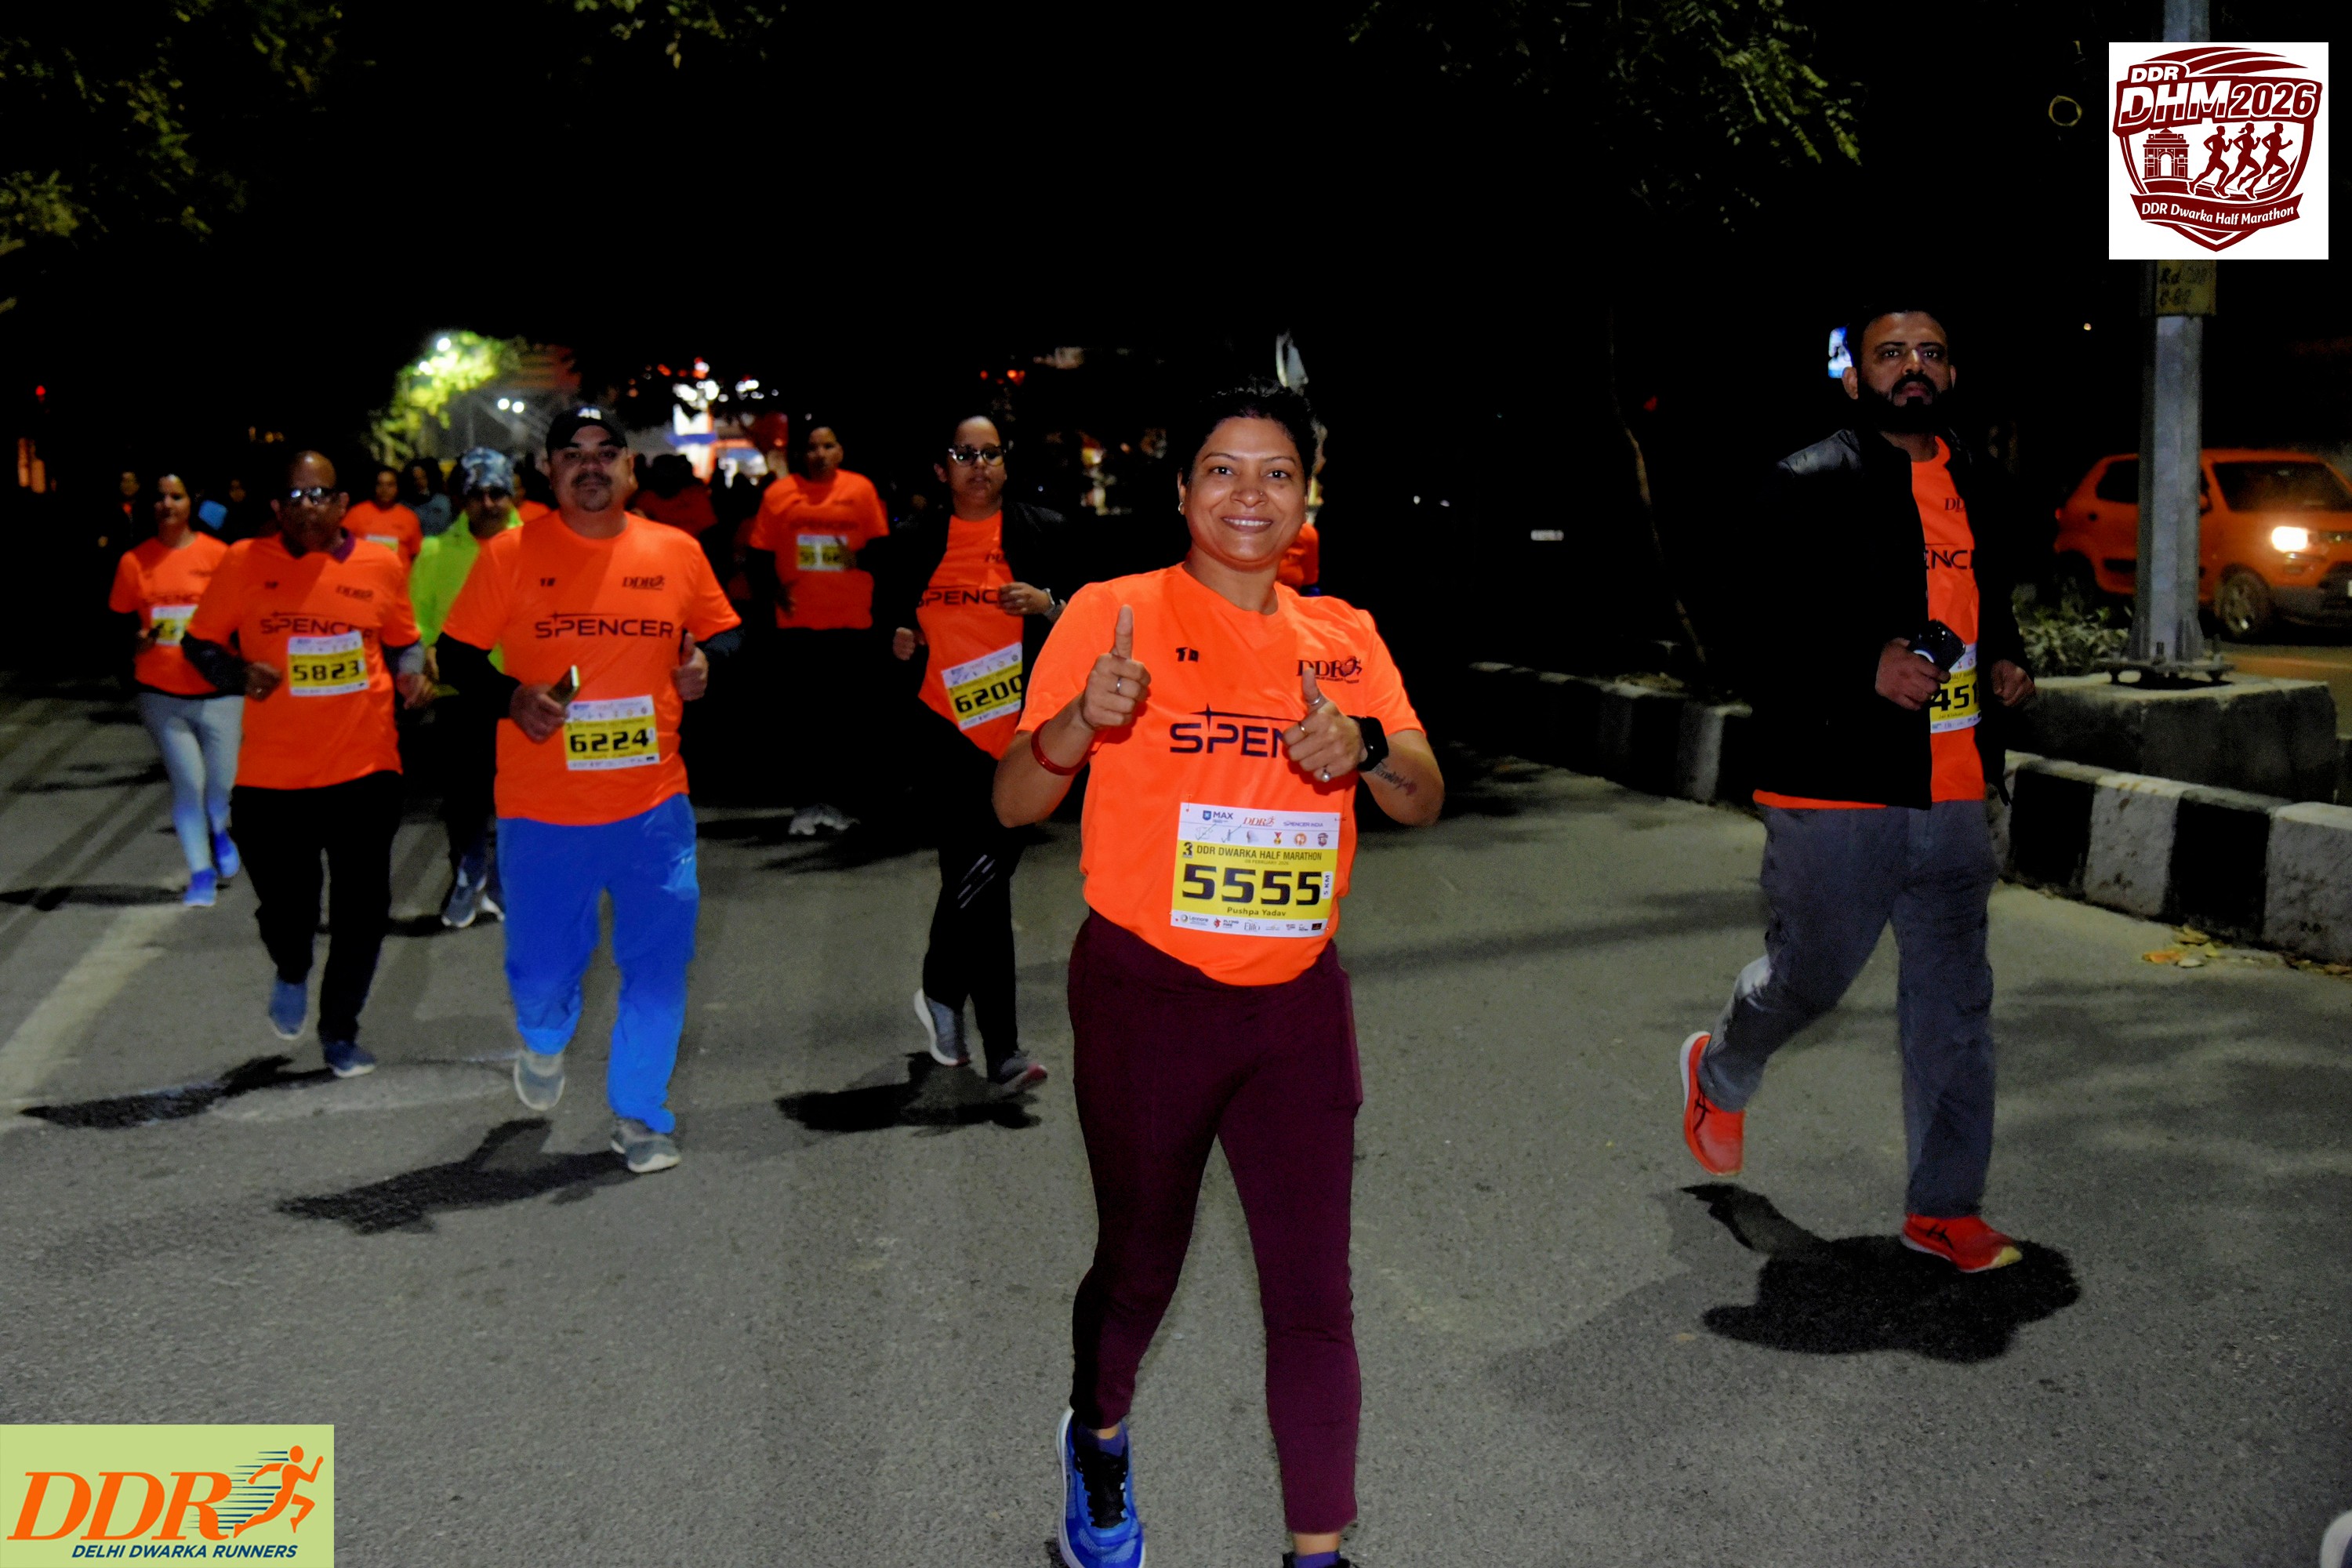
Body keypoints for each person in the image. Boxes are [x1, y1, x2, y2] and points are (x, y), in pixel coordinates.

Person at [996, 381, 1443, 1568]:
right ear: (1183, 489)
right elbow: (1015, 798)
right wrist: (1079, 723)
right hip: (1149, 997)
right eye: (1223, 470)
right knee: (1142, 1266)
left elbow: (1422, 795)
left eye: (1277, 473)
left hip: (1297, 1007)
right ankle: (1097, 1439)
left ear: (1308, 495)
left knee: (1313, 1297)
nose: (1251, 495)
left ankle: (1318, 1553)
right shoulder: (1113, 614)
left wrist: (1368, 748)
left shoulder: (1344, 635)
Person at [1679, 304, 2038, 1274]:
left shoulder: (1979, 483)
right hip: (1837, 787)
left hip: (1956, 792)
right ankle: (1722, 1065)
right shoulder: (1807, 481)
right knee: (1810, 979)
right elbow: (1746, 626)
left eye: (1930, 353)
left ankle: (1945, 1208)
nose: (1912, 367)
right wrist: (1860, 665)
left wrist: (2007, 662)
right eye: (1891, 354)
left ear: (1950, 376)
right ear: (1855, 378)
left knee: (1955, 1009)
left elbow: (1986, 604)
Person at [436, 407, 743, 1174]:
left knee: (657, 966)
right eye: (573, 454)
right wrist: (511, 697)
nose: (591, 465)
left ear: (630, 468)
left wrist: (709, 662)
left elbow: (728, 634)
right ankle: (544, 1035)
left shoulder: (675, 551)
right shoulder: (509, 554)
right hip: (544, 811)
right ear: (549, 470)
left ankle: (641, 1114)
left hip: (654, 806)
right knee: (542, 971)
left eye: (607, 452)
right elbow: (457, 656)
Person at [182, 451, 432, 1078]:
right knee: (288, 911)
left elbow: (404, 642)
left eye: (320, 495)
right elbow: (198, 644)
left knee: (362, 912)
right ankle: (291, 966)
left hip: (365, 768)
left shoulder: (381, 563)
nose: (308, 507)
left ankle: (340, 1030)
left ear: (343, 504)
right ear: (277, 507)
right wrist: (238, 674)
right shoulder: (244, 562)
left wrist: (413, 678)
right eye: (295, 497)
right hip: (273, 779)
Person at [866, 415, 1083, 1095]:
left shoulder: (1045, 531)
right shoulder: (913, 542)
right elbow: (886, 625)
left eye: (990, 454)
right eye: (965, 454)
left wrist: (1047, 604)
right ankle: (1005, 1051)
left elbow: (1096, 621)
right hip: (946, 736)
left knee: (979, 879)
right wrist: (900, 638)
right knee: (984, 885)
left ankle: (939, 989)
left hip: (1025, 737)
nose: (979, 465)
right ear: (943, 469)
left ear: (1006, 464)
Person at [746, 420, 890, 834]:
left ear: (840, 451)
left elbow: (882, 552)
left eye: (828, 446)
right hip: (798, 625)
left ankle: (844, 803)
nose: (820, 455)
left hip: (852, 623)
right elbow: (758, 557)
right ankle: (807, 805)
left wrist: (858, 561)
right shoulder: (778, 495)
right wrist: (774, 592)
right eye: (812, 448)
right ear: (801, 454)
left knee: (846, 719)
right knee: (802, 721)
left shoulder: (861, 490)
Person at [108, 473, 240, 906]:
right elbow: (117, 624)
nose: (167, 505)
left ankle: (219, 830)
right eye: (160, 497)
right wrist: (135, 642)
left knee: (221, 789)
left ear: (191, 503)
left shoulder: (219, 555)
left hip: (219, 691)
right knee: (189, 783)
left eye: (176, 497)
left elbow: (242, 617)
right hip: (161, 691)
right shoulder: (134, 562)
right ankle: (200, 874)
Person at [412, 448, 523, 927]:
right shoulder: (436, 552)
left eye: (497, 492)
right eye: (477, 494)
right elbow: (415, 617)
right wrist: (427, 649)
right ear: (461, 499)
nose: (488, 503)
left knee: (517, 798)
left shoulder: (537, 545)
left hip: (520, 695)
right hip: (460, 695)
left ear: (512, 495)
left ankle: (501, 880)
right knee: (464, 797)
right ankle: (468, 871)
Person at [344, 464, 424, 568]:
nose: (384, 489)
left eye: (390, 485)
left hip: (398, 577)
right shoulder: (356, 513)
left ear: (397, 488)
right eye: (380, 484)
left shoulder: (409, 517)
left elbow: (416, 555)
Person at [404, 458, 455, 537]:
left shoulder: (442, 501)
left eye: (423, 477)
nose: (420, 482)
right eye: (415, 479)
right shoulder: (404, 506)